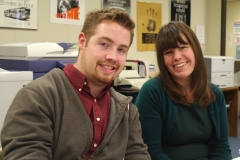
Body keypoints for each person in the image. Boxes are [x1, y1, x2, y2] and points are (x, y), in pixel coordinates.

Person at [1, 8, 151, 160]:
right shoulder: (38, 97)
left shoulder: (127, 111)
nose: (112, 56)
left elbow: (138, 154)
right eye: (104, 44)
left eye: (121, 50)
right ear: (82, 41)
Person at [134, 21, 232, 160]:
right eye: (169, 52)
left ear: (195, 49)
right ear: (162, 60)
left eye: (183, 47)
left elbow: (221, 148)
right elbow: (151, 151)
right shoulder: (152, 91)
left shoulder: (214, 93)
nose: (177, 56)